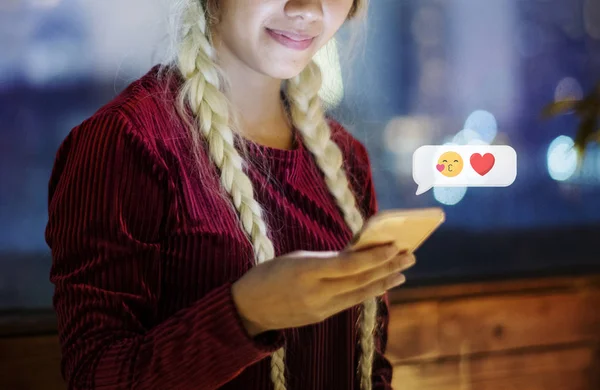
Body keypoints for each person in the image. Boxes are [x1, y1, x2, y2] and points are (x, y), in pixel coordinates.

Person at [45, 0, 415, 389]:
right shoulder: (127, 141)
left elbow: (369, 367)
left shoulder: (345, 157)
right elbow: (96, 377)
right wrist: (247, 313)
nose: (307, 9)